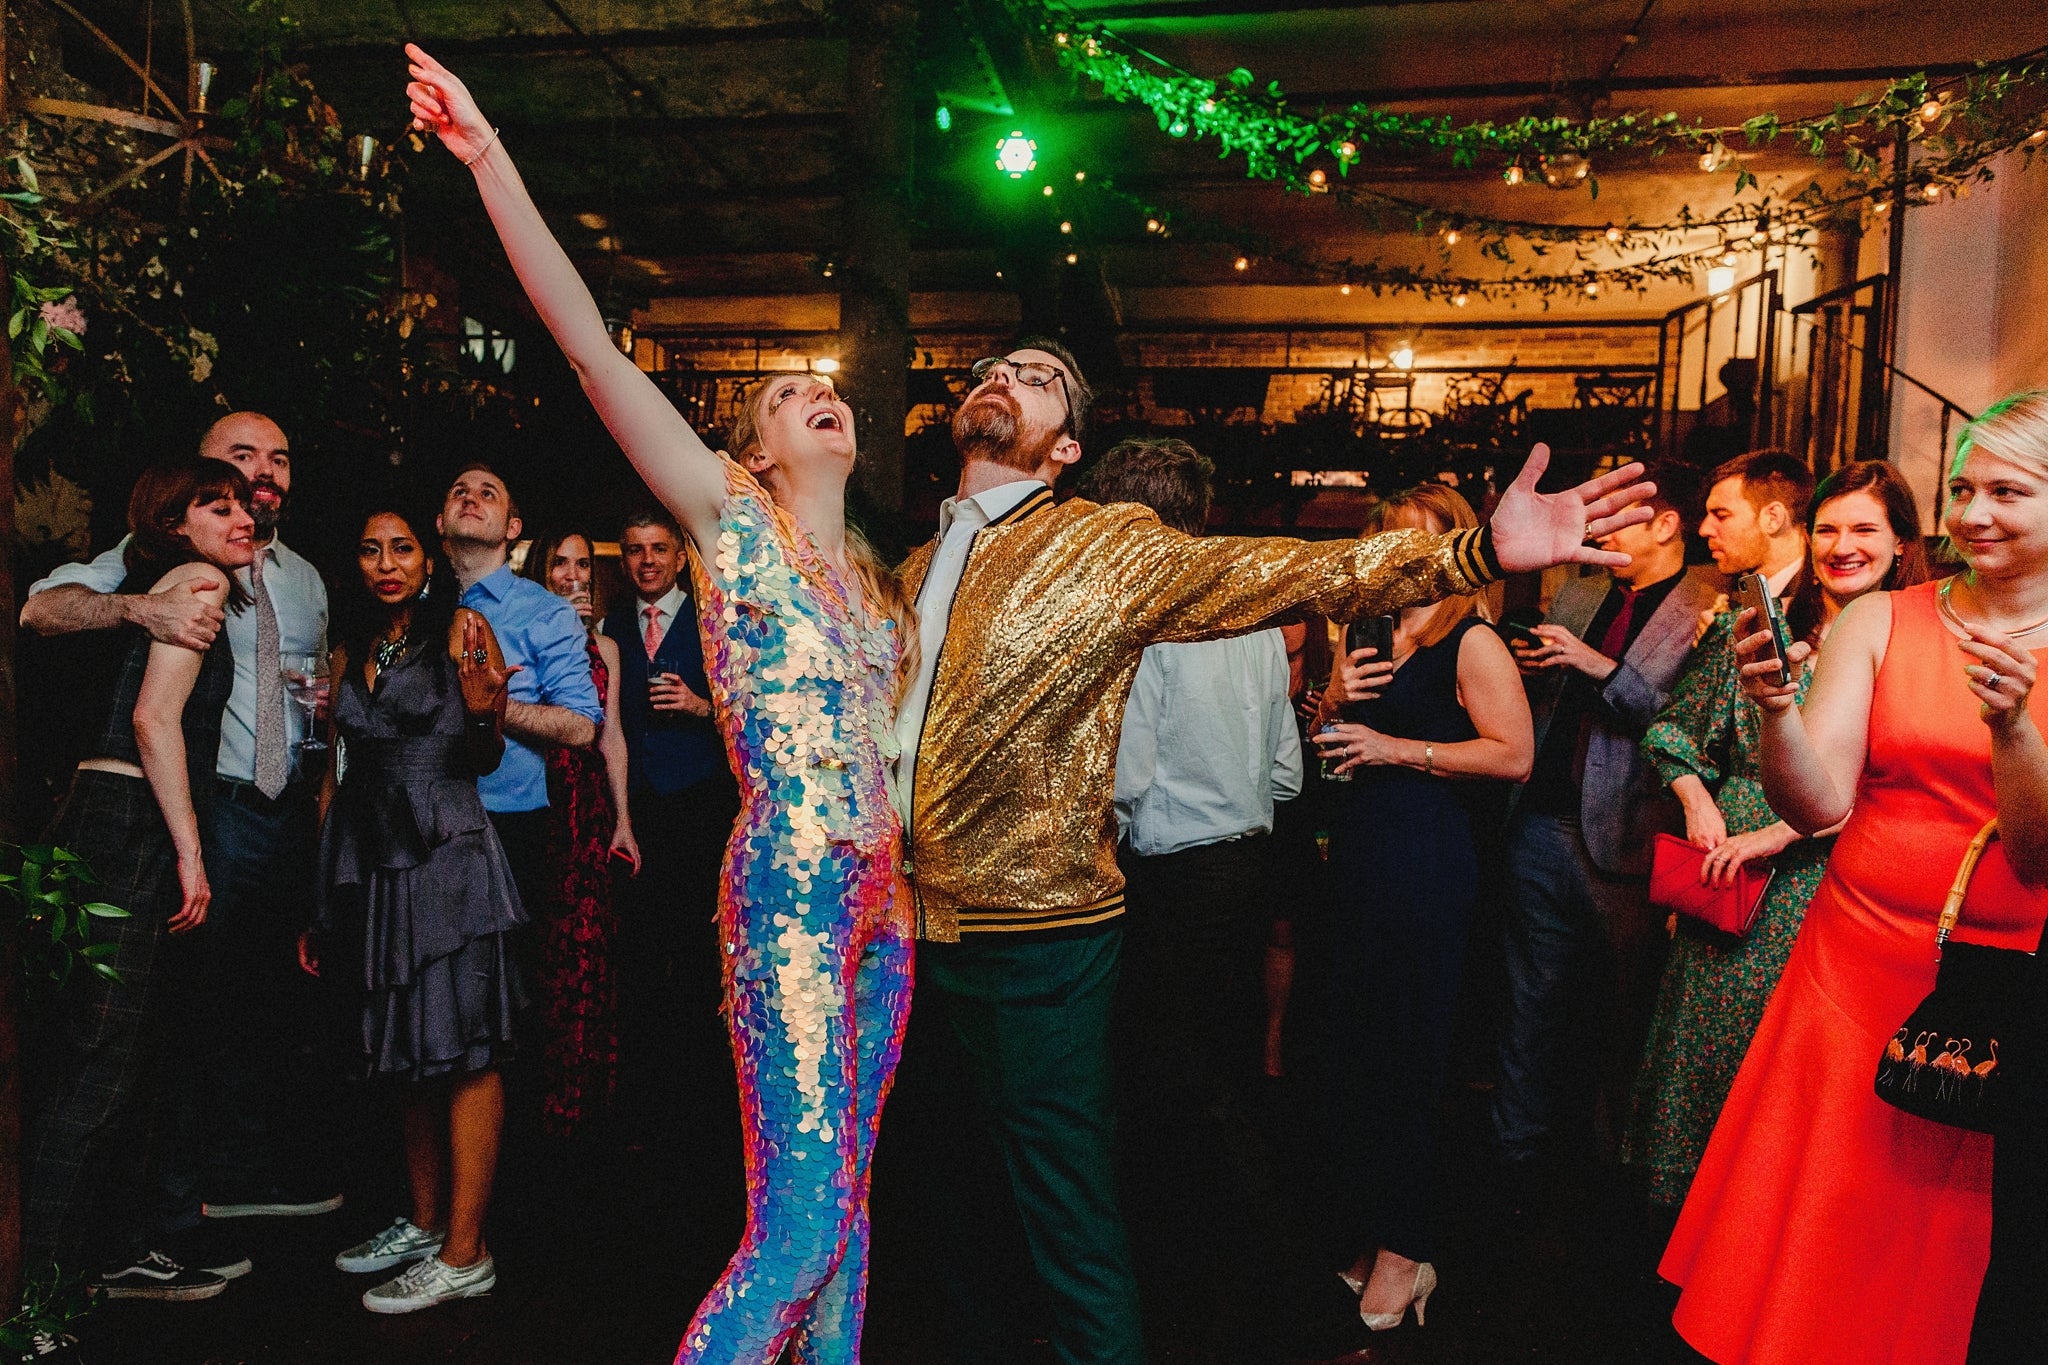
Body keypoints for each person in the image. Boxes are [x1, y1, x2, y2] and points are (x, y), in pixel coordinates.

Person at [893, 329, 1654, 1364]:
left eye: (1039, 380)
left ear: (1070, 449)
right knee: (951, 1187)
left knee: (1100, 1165)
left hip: (1051, 922)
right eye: (995, 367)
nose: (1003, 379)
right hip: (911, 926)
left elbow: (1304, 571)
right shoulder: (911, 567)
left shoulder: (1102, 548)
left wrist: (1470, 553)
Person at [409, 47, 917, 1362]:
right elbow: (586, 344)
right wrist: (489, 159)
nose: (825, 393)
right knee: (799, 1230)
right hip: (792, 889)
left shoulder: (880, 584)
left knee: (853, 1225)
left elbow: (898, 750)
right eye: (790, 391)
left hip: (886, 904)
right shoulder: (725, 519)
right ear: (750, 445)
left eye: (835, 386)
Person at [1664, 398, 2048, 1365]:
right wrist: (1775, 712)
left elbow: (2040, 861)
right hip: (1849, 965)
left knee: (1937, 1252)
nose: (1975, 513)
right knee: (1817, 1222)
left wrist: (2012, 730)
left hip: (1992, 987)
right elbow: (1816, 804)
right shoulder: (1884, 618)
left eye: (2009, 491)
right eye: (1963, 489)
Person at [21, 413, 339, 1258]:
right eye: (235, 470)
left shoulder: (299, 578)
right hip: (179, 813)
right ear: (184, 503)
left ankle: (152, 1221)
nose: (257, 485)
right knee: (119, 1046)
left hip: (260, 809)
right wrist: (142, 607)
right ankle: (73, 1262)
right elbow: (45, 612)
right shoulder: (172, 565)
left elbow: (309, 693)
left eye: (275, 463)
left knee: (179, 1027)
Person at [1623, 460, 1925, 1208]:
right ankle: (1691, 1240)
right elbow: (1674, 731)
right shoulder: (1752, 626)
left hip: (1840, 881)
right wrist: (1698, 801)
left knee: (1811, 1081)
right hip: (1732, 884)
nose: (1842, 544)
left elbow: (1904, 782)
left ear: (1901, 543)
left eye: (1864, 529)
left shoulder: (1919, 645)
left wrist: (1783, 833)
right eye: (1828, 528)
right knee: (1708, 1058)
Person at [23, 455, 255, 1300]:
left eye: (243, 506)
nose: (242, 517)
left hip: (98, 818)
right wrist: (191, 848)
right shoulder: (196, 581)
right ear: (174, 523)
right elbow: (154, 719)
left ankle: (83, 1261)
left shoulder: (167, 581)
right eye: (216, 504)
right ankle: (32, 1295)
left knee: (101, 1057)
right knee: (102, 1069)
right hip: (132, 825)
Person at [1084, 438, 1302, 1323]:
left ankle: (1261, 1288)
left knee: (1174, 1081)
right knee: (1216, 1064)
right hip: (1247, 861)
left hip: (1170, 873)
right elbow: (1284, 770)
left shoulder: (1145, 608)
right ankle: (1219, 1278)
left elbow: (1128, 774)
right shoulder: (1249, 604)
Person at [1307, 484, 1535, 1330]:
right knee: (1360, 1050)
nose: (1397, 554)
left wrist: (1396, 747)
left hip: (1426, 857)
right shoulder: (1370, 630)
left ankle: (1408, 1249)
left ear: (1455, 547)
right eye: (1385, 540)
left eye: (1414, 540)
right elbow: (1330, 740)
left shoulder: (1470, 639)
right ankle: (1375, 1229)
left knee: (1409, 1052)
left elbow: (1515, 755)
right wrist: (1332, 696)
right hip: (1363, 852)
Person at [302, 506, 524, 1314]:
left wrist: (477, 706)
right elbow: (335, 773)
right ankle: (427, 1223)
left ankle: (469, 1250)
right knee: (405, 1044)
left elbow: (487, 755)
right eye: (369, 548)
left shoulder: (464, 628)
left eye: (401, 547)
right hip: (372, 859)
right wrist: (322, 896)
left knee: (466, 1046)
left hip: (447, 853)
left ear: (426, 558)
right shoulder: (350, 648)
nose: (386, 562)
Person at [1491, 466, 1720, 1173]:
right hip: (1538, 821)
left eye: (1620, 513)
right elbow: (1546, 697)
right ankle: (1514, 1155)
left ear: (1665, 524)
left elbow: (1689, 725)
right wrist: (1533, 665)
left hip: (1631, 834)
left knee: (1625, 1010)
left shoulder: (1709, 606)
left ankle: (1616, 1162)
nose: (1600, 525)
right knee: (1528, 1003)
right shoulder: (1582, 589)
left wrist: (1596, 666)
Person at [597, 507, 735, 1140]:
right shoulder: (610, 626)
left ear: (680, 558)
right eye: (634, 550)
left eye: (657, 549)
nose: (646, 560)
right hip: (638, 803)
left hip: (702, 799)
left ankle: (705, 1081)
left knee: (700, 939)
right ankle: (646, 1085)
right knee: (643, 939)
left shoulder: (714, 620)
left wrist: (700, 704)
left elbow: (751, 708)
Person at [434, 464, 603, 919]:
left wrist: (491, 706)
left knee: (501, 977)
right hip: (419, 816)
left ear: (512, 528)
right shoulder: (416, 606)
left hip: (504, 819)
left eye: (488, 494)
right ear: (439, 521)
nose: (470, 499)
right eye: (459, 491)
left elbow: (583, 726)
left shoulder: (546, 613)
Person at [521, 527, 637, 1137]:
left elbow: (610, 735)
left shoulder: (609, 647)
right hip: (536, 796)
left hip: (587, 804)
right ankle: (529, 1091)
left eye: (583, 565)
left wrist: (623, 818)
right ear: (541, 571)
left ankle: (581, 1093)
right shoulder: (525, 631)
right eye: (560, 563)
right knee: (536, 943)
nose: (573, 574)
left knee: (585, 943)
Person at [1698, 448, 1815, 602]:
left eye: (1721, 515)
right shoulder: (1730, 592)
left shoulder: (1821, 601)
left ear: (1773, 518)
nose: (1704, 530)